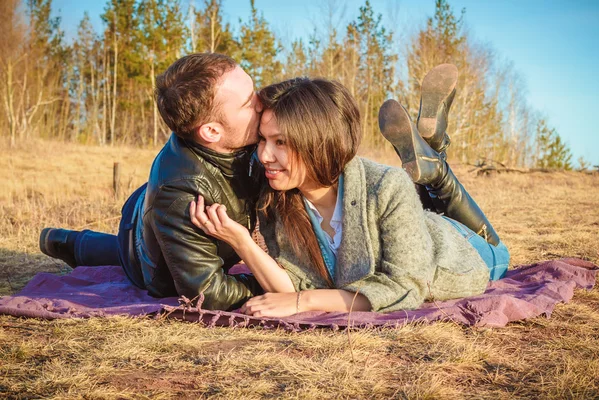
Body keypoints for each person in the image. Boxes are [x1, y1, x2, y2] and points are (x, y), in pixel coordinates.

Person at [190, 65, 510, 317]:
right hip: (407, 217)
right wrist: (241, 241)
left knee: (499, 250)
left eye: (281, 142)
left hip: (459, 246)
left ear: (318, 144)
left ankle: (438, 173)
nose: (264, 156)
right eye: (262, 139)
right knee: (408, 199)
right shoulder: (278, 200)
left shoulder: (387, 185)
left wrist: (306, 302)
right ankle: (433, 162)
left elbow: (405, 288)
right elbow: (293, 284)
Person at [39, 53, 267, 311]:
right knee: (129, 258)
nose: (262, 102)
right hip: (150, 250)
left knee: (127, 250)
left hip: (154, 208)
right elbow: (208, 294)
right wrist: (282, 285)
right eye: (249, 102)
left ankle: (63, 240)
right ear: (211, 131)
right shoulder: (182, 196)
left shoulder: (239, 138)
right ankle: (67, 242)